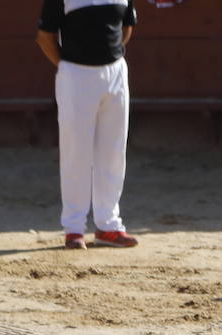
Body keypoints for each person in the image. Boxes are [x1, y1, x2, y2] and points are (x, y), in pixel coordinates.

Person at [36, 0, 140, 250]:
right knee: (76, 153)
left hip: (115, 72)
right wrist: (68, 67)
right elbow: (45, 37)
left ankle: (109, 226)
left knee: (113, 152)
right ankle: (73, 229)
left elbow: (126, 27)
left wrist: (109, 57)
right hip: (76, 73)